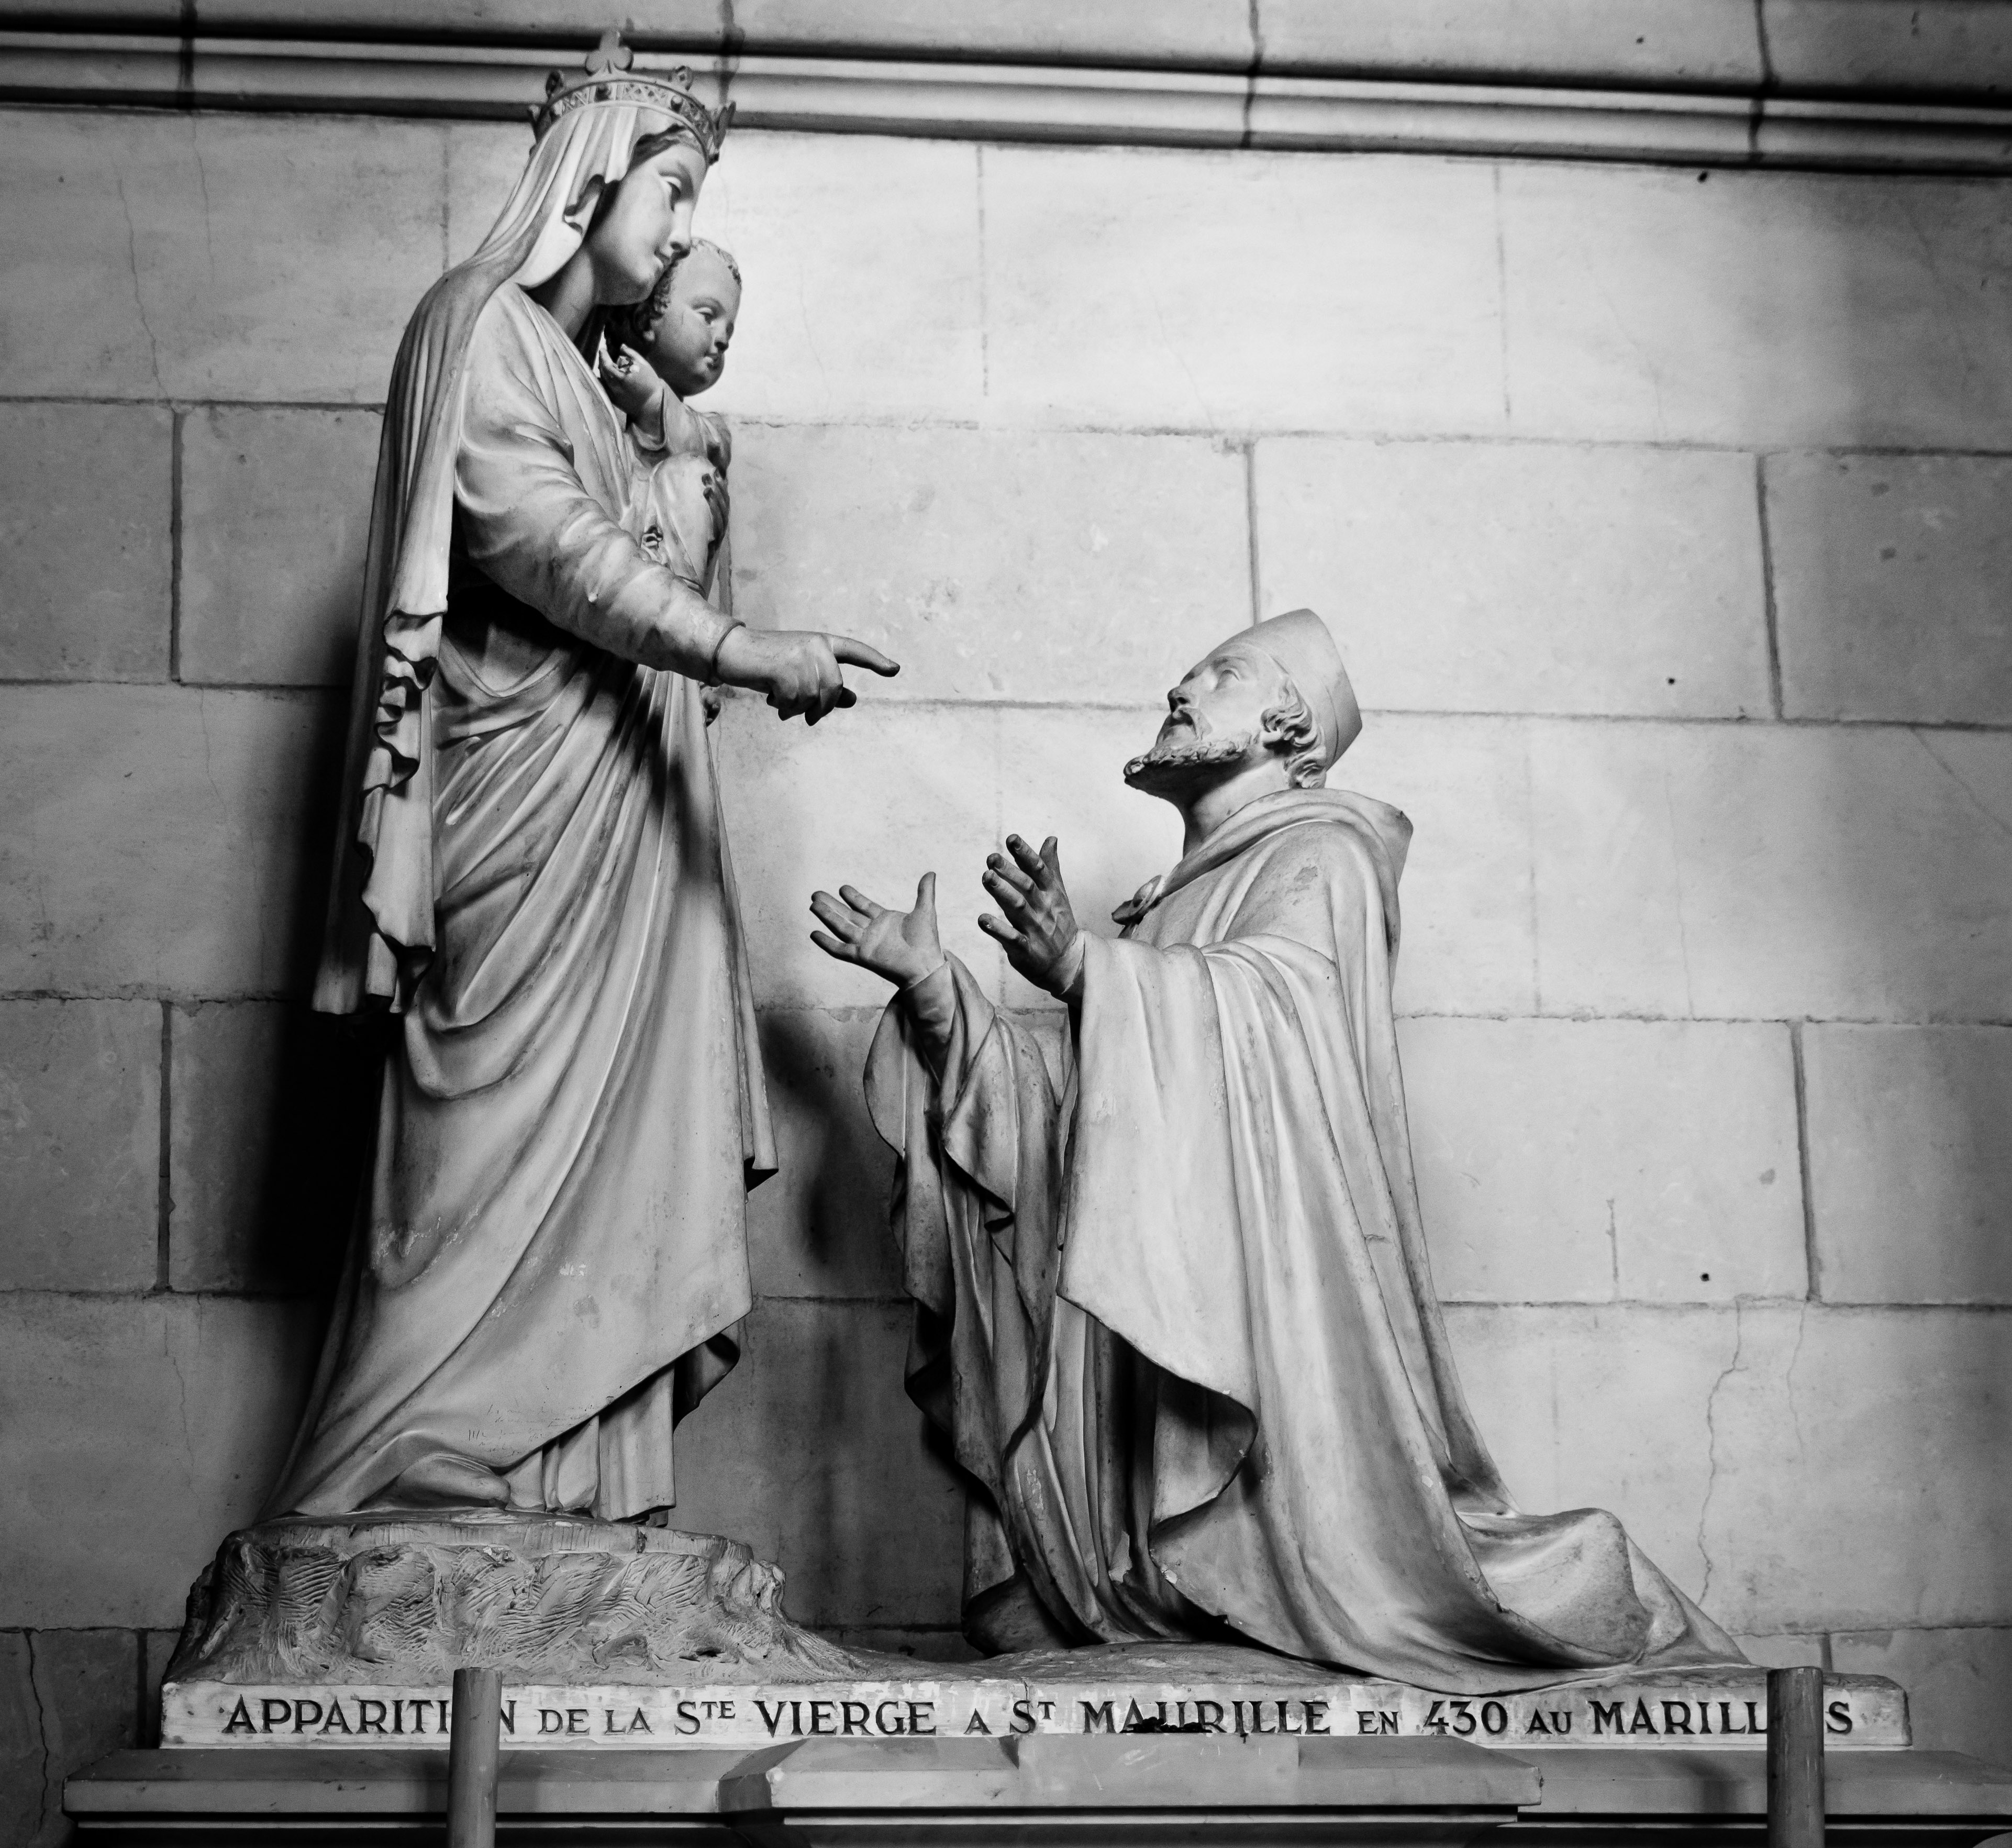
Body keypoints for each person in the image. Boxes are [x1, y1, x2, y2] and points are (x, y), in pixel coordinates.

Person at [808, 610, 1746, 1695]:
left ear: (1287, 723)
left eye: (1221, 674)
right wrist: (941, 999)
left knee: (1393, 1588)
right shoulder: (1163, 914)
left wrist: (1087, 972)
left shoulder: (1322, 853)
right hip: (1140, 1395)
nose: (1182, 687)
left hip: (1280, 1352)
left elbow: (1280, 1021)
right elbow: (1078, 1169)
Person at [271, 40, 897, 1521]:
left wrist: (684, 498)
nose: (681, 233)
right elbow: (549, 549)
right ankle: (406, 1456)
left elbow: (640, 559)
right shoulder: (477, 325)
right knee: (479, 1131)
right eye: (671, 191)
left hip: (620, 819)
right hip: (519, 816)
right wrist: (748, 650)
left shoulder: (606, 390)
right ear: (591, 177)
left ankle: (554, 1486)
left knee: (605, 1154)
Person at [597, 237, 741, 597]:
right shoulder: (591, 402)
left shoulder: (710, 432)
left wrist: (652, 402)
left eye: (729, 330)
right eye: (708, 316)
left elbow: (709, 447)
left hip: (666, 603)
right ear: (645, 316)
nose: (723, 339)